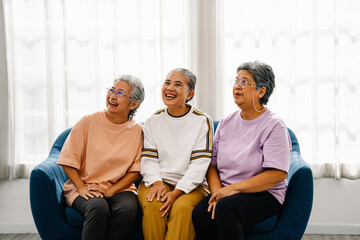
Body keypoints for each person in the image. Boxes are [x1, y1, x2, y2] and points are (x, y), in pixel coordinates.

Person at [192, 61, 291, 240]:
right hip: (227, 191)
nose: (237, 86)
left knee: (226, 208)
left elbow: (277, 174)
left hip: (264, 193)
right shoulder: (226, 123)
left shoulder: (274, 125)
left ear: (261, 91)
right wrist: (217, 193)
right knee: (201, 213)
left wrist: (231, 191)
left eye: (244, 82)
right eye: (236, 81)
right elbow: (212, 164)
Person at [57, 75, 145, 240]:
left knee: (127, 208)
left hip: (120, 188)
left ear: (133, 104)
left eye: (120, 93)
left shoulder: (137, 131)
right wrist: (81, 187)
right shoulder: (88, 121)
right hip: (84, 185)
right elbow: (67, 160)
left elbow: (136, 170)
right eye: (111, 90)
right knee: (97, 206)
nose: (112, 96)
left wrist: (110, 190)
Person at [138, 68, 214, 240]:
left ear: (189, 94)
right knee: (153, 204)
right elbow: (148, 160)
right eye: (167, 83)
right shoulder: (152, 121)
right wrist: (157, 184)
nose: (169, 88)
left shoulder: (202, 120)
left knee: (182, 208)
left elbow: (200, 164)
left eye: (178, 85)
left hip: (192, 187)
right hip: (158, 182)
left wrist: (176, 192)